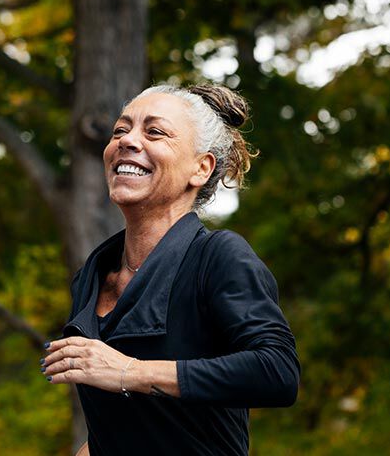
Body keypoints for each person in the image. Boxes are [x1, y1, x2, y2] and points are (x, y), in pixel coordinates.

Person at [40, 83, 300, 455]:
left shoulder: (217, 256)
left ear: (201, 167)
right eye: (120, 130)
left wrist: (131, 372)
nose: (128, 141)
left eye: (155, 132)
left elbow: (277, 372)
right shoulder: (92, 276)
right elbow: (124, 429)